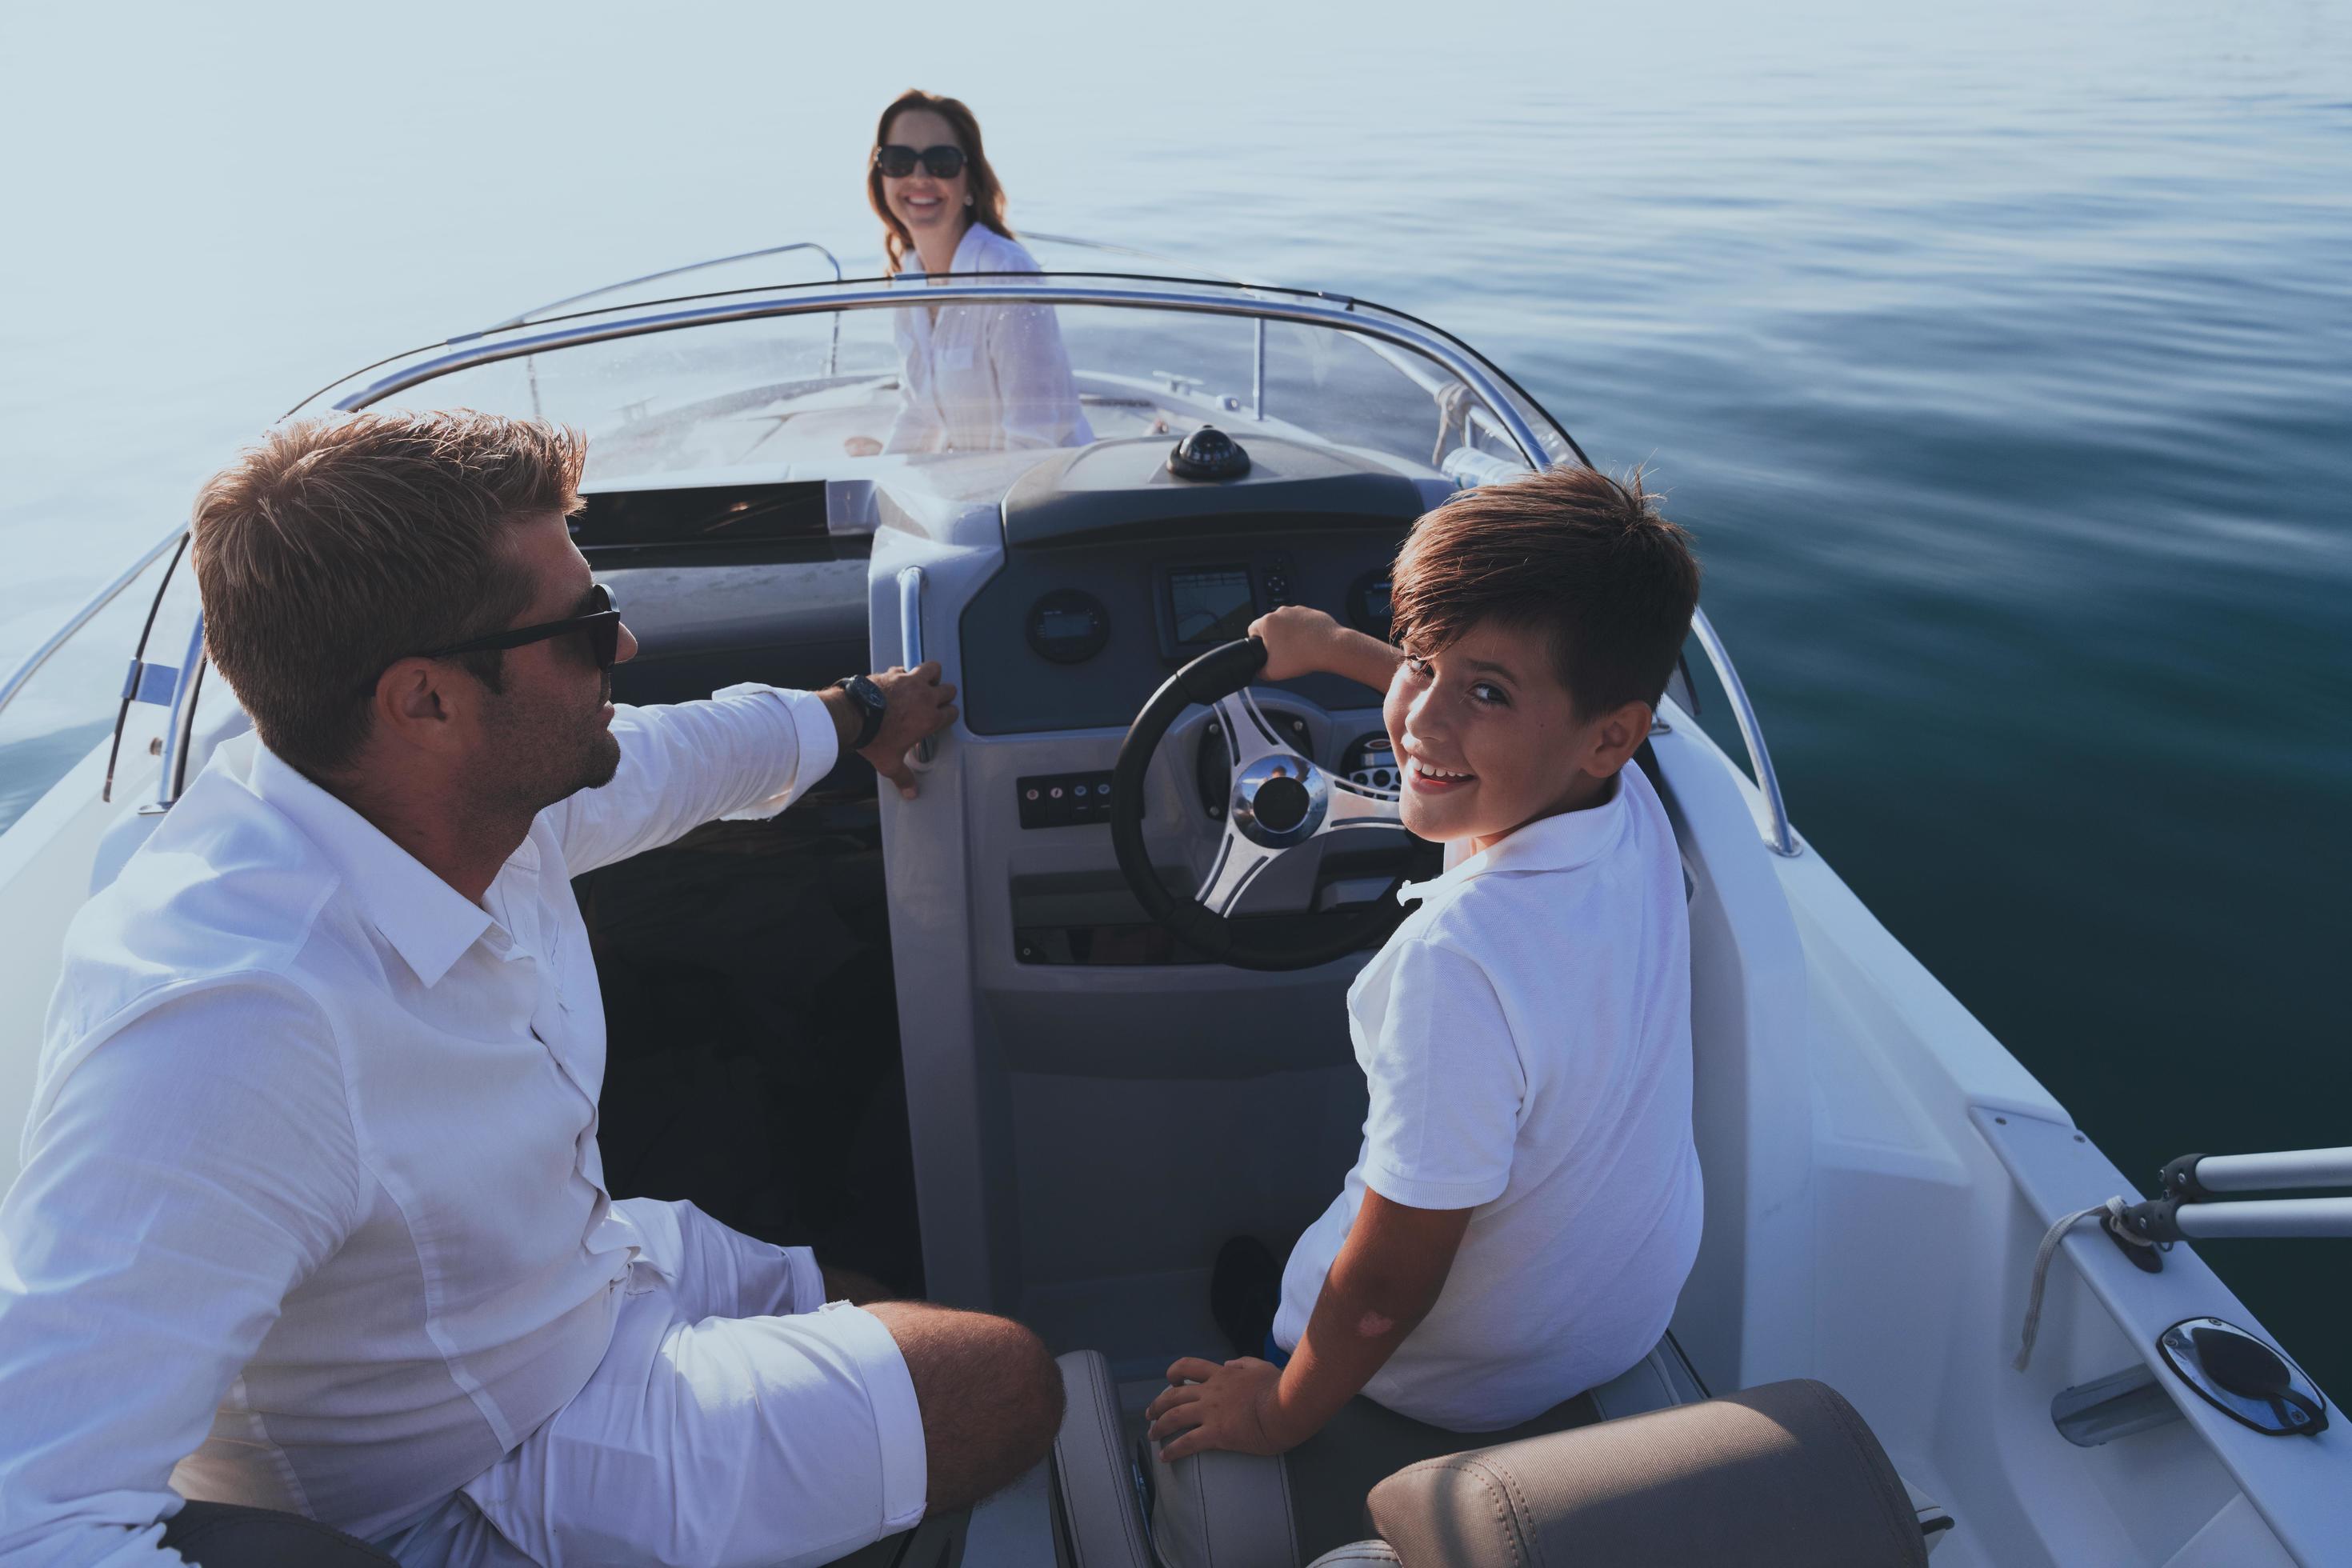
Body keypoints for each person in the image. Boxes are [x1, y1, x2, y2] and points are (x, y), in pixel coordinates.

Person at [0, 411, 1064, 1568]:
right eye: (589, 627)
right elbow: (33, 1514)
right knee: (1005, 1383)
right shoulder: (228, 1032)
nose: (631, 648)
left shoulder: (453, 793)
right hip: (475, 1474)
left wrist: (856, 715)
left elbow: (689, 752)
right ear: (428, 702)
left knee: (857, 1285)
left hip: (572, 1277)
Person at [1142, 465, 1706, 1564]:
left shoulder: (1459, 964)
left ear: (1609, 734)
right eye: (1421, 665)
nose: (1418, 722)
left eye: (1484, 694)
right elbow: (1460, 711)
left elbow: (1387, 1287)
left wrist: (1278, 1411)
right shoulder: (1622, 802)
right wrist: (1341, 652)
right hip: (1612, 1318)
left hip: (1449, 1383)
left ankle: (1272, 1351)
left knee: (1321, 1291)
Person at [842, 90, 1093, 457]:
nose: (920, 176)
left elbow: (1035, 440)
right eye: (899, 161)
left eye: (941, 161)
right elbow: (919, 416)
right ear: (881, 176)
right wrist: (880, 483)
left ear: (969, 179)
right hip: (972, 484)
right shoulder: (909, 275)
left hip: (1041, 495)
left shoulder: (1006, 274)